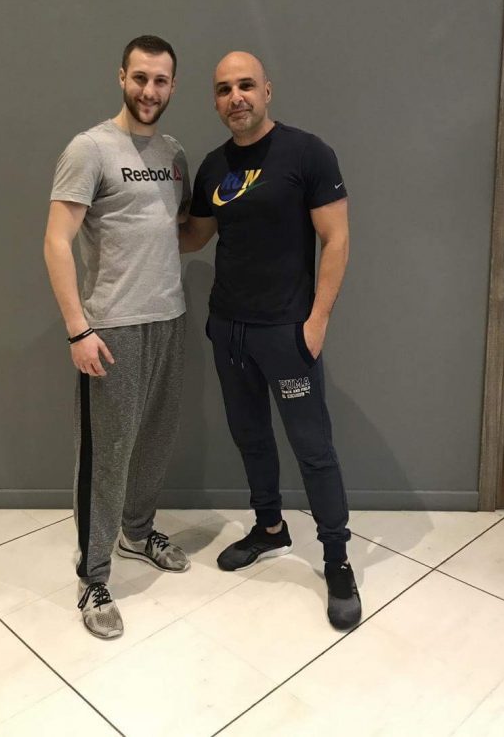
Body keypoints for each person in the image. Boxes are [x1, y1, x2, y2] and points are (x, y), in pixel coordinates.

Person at [179, 51, 361, 630]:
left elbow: (336, 239)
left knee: (313, 448)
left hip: (286, 331)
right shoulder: (213, 166)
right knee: (251, 436)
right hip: (228, 328)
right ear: (215, 100)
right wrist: (132, 215)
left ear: (267, 90)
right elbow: (194, 237)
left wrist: (317, 321)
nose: (236, 97)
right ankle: (270, 528)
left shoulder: (308, 153)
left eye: (246, 85)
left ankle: (336, 559)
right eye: (224, 89)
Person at [44, 35, 191, 639]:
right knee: (107, 455)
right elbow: (56, 241)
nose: (149, 90)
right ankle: (94, 575)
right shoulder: (90, 149)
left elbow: (177, 229)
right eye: (140, 78)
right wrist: (78, 329)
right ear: (121, 77)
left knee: (154, 439)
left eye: (160, 80)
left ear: (172, 86)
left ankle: (137, 531)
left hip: (169, 318)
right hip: (111, 328)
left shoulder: (175, 155)